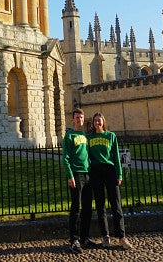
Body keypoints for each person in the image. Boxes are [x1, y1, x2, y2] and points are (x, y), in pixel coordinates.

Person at [87, 112, 133, 250]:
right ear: (93, 123)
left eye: (99, 120)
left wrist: (119, 174)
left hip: (110, 171)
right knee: (100, 206)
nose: (97, 123)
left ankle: (121, 237)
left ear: (103, 122)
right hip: (96, 171)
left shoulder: (111, 136)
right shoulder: (89, 138)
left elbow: (116, 157)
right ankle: (105, 236)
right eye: (95, 121)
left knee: (116, 205)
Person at [62, 108, 95, 253]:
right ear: (73, 119)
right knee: (76, 208)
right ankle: (74, 240)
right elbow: (66, 158)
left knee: (87, 208)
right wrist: (70, 176)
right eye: (77, 117)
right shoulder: (69, 136)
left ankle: (84, 238)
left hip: (88, 174)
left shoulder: (85, 136)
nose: (79, 120)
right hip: (76, 174)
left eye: (81, 117)